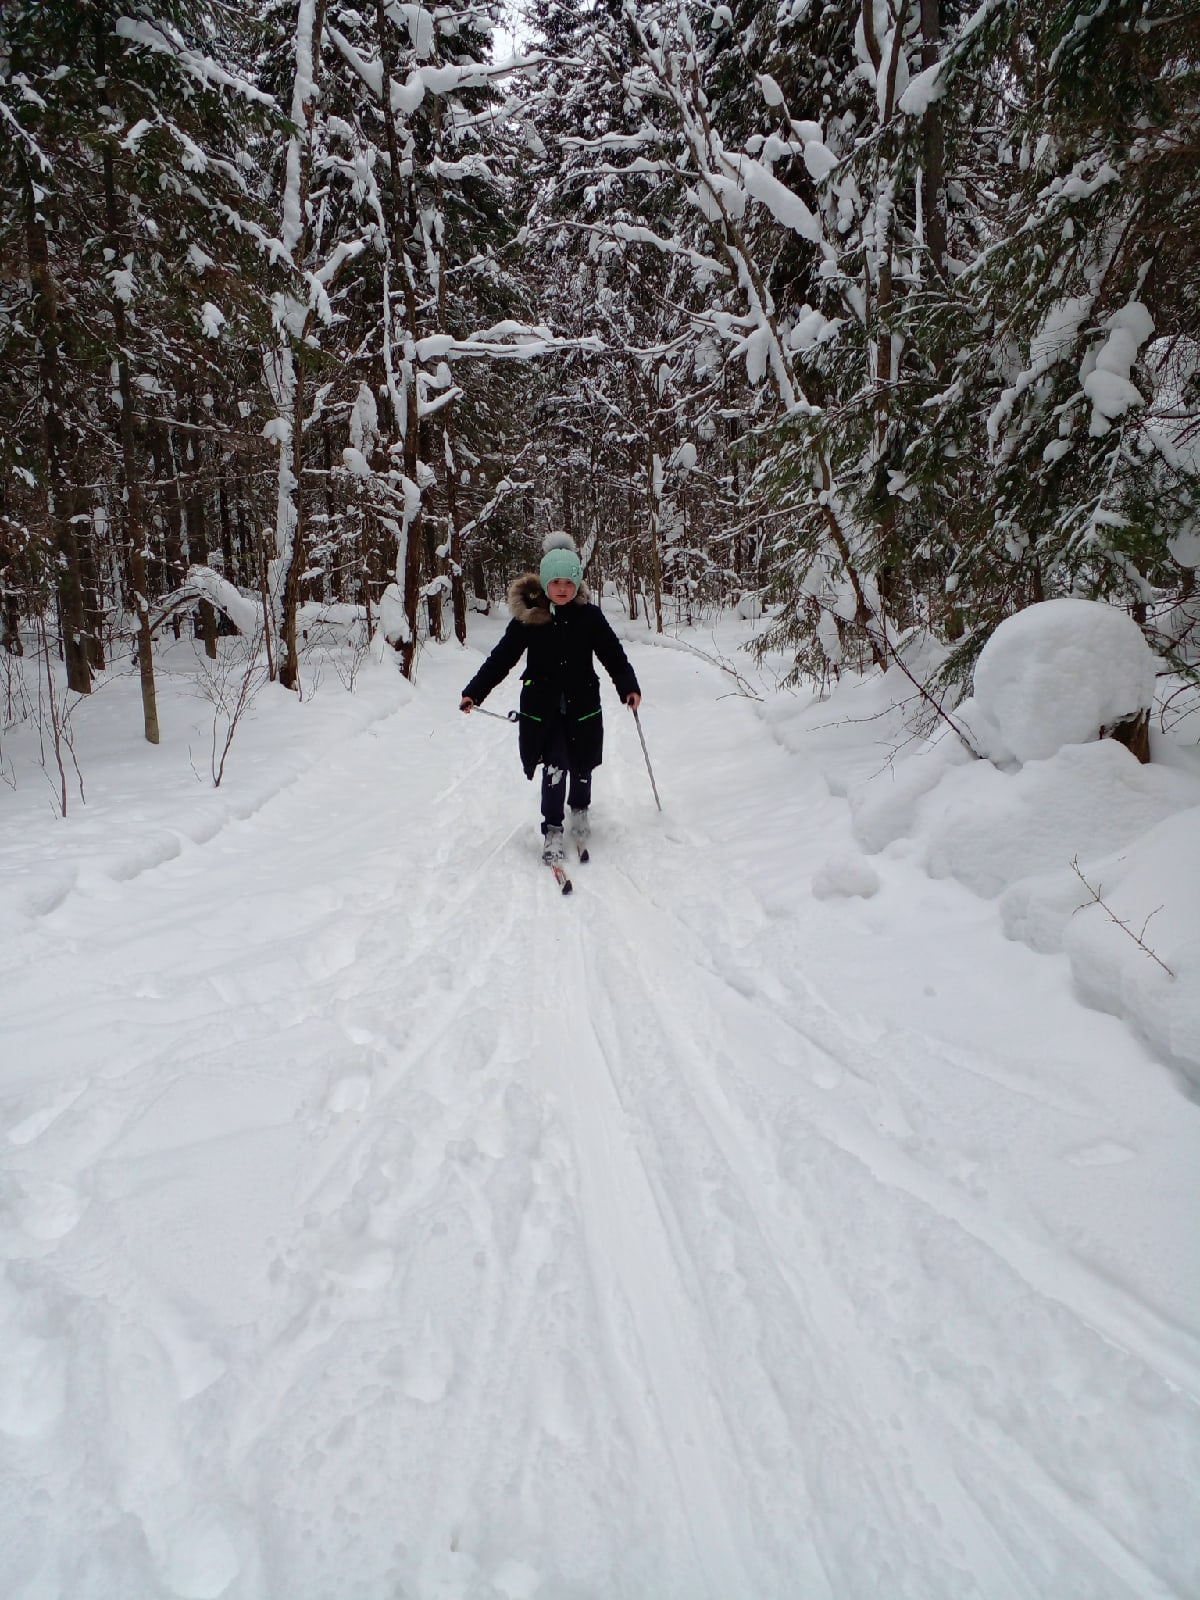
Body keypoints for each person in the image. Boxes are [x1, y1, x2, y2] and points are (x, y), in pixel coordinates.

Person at [460, 534, 641, 863]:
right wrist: (475, 691)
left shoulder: (589, 617)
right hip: (545, 710)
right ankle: (553, 828)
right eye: (556, 582)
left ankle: (581, 808)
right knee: (556, 766)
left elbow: (613, 654)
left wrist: (628, 686)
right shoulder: (529, 620)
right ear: (545, 583)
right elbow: (501, 658)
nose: (562, 588)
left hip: (582, 704)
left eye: (569, 582)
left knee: (583, 763)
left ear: (577, 584)